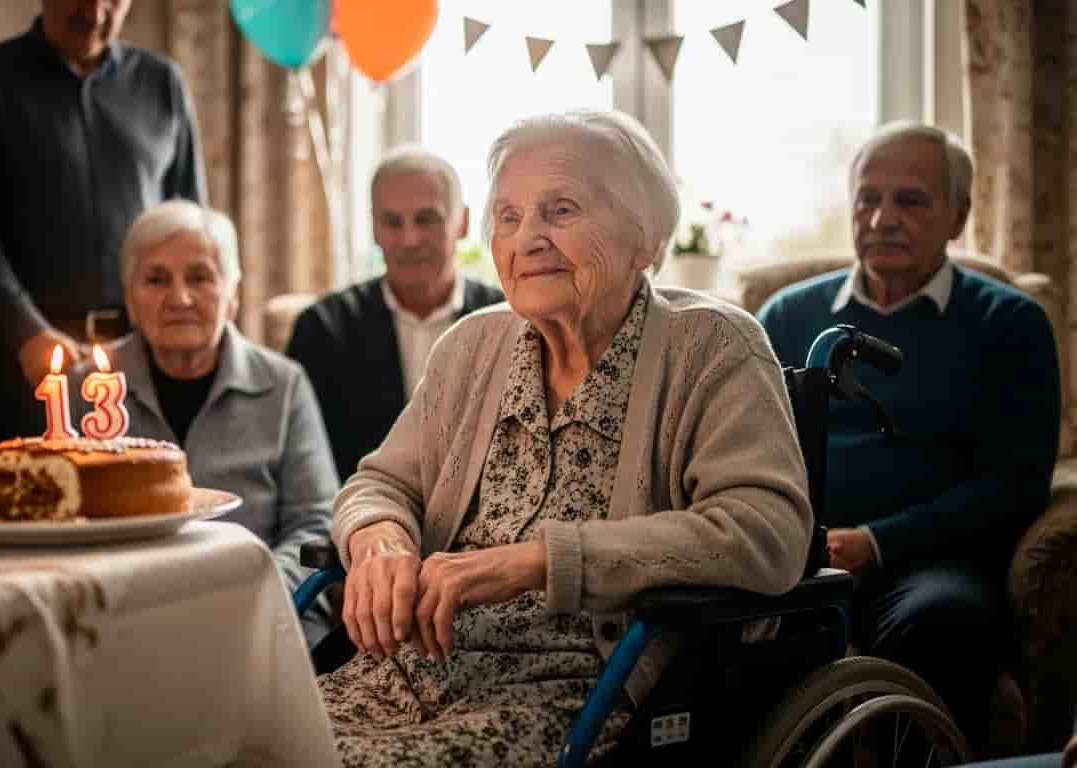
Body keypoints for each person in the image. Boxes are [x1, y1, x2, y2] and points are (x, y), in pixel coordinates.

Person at [319, 110, 812, 766]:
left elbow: (766, 532)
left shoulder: (713, 347)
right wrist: (379, 543)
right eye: (509, 215)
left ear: (645, 237)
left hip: (582, 689)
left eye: (561, 211)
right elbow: (381, 483)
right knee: (238, 742)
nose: (528, 240)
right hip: (408, 671)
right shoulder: (472, 345)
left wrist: (542, 561)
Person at [759, 122, 1062, 753]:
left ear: (958, 215)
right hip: (796, 556)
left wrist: (876, 542)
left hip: (930, 565)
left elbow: (1017, 482)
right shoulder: (787, 316)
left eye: (911, 200)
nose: (882, 218)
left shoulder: (1011, 323)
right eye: (868, 199)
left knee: (943, 623)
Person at [67, 200, 337, 643]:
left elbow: (315, 525)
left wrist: (255, 593)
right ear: (130, 297)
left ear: (232, 295)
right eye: (156, 280)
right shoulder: (86, 388)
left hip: (262, 617)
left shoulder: (284, 385)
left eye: (200, 277)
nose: (180, 298)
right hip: (122, 621)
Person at [0, 0, 207, 443]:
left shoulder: (163, 82)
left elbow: (192, 224)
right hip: (27, 362)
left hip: (146, 357)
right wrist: (25, 331)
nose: (95, 11)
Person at [287, 147, 504, 482]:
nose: (409, 239)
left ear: (461, 222)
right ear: (374, 228)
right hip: (359, 520)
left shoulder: (510, 321)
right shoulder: (323, 328)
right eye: (392, 222)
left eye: (426, 219)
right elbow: (311, 467)